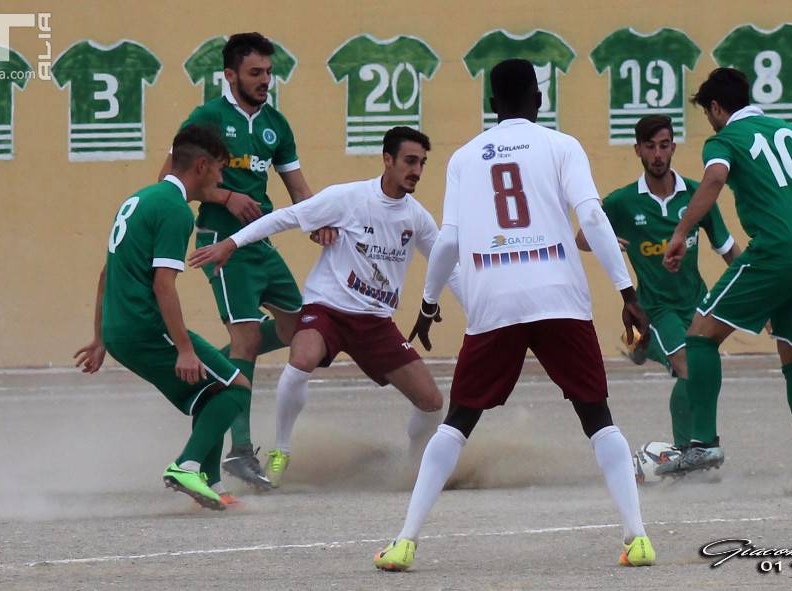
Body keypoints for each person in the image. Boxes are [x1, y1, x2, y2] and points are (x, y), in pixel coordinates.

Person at [372, 59, 655, 572]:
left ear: (492, 105)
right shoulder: (561, 146)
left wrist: (430, 302)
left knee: (457, 422)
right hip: (558, 297)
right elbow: (591, 216)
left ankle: (405, 541)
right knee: (597, 417)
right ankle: (637, 538)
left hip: (494, 301)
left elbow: (451, 240)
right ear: (538, 100)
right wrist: (626, 291)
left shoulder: (463, 158)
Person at [189, 126, 461, 488]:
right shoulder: (347, 198)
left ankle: (415, 467)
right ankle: (281, 451)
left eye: (422, 164)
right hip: (327, 307)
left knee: (431, 401)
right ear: (387, 160)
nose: (416, 170)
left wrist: (481, 308)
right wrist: (231, 244)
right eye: (410, 161)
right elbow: (285, 217)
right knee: (302, 358)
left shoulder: (417, 218)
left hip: (376, 322)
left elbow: (446, 266)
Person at [657, 68, 792, 495]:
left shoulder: (726, 140)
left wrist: (681, 232)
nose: (710, 123)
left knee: (700, 336)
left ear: (717, 108)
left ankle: (704, 444)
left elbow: (714, 178)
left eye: (709, 113)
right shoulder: (791, 132)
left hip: (775, 251)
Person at [160, 33, 332, 490]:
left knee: (303, 326)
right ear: (230, 75)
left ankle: (222, 358)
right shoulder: (207, 118)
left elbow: (298, 189)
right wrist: (225, 195)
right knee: (249, 337)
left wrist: (323, 224)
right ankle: (239, 450)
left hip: (261, 244)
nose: (265, 81)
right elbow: (170, 181)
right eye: (255, 73)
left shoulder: (276, 123)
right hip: (221, 241)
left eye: (269, 73)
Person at [75, 125, 252, 510]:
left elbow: (107, 273)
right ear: (201, 166)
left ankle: (212, 485)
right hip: (145, 326)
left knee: (211, 391)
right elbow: (163, 287)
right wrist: (185, 350)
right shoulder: (174, 210)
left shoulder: (137, 200)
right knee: (237, 386)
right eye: (220, 170)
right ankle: (186, 466)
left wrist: (101, 337)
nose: (222, 179)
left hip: (120, 329)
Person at [575, 115, 741, 453]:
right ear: (638, 150)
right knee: (687, 368)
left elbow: (726, 247)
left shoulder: (696, 194)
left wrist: (758, 292)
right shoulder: (624, 201)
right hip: (656, 306)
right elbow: (581, 237)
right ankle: (689, 449)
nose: (658, 154)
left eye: (664, 146)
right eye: (650, 147)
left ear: (673, 147)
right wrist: (603, 238)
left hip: (698, 302)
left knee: (703, 371)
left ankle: (638, 343)